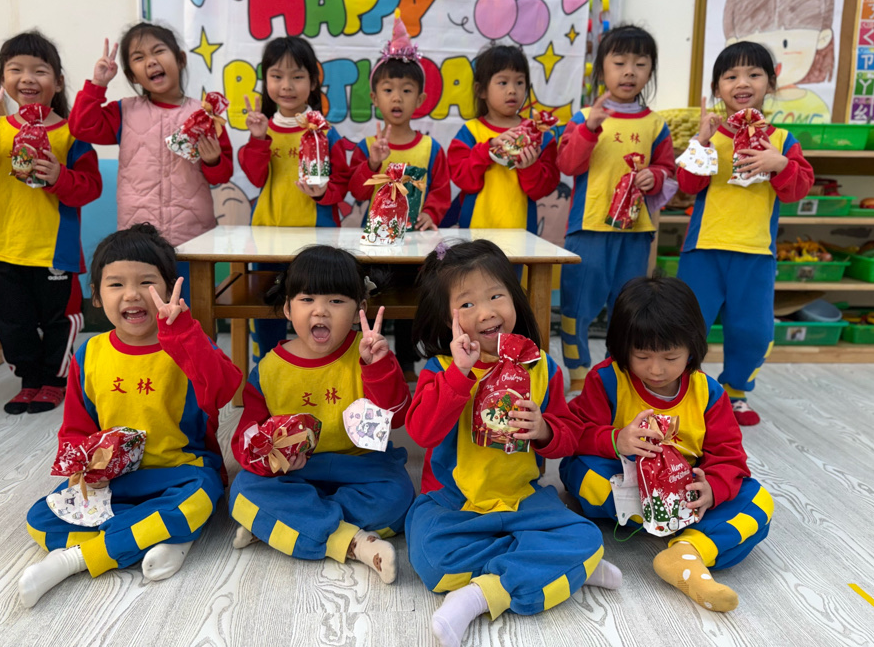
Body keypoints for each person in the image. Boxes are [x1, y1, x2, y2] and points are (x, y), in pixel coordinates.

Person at [405, 239, 618, 647]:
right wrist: (460, 375)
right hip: (454, 503)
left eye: (496, 295)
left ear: (515, 298)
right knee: (431, 561)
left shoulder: (542, 367)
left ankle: (480, 595)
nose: (486, 312)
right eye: (466, 304)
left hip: (523, 498)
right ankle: (550, 565)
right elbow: (422, 433)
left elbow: (568, 437)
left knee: (589, 538)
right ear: (447, 317)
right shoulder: (441, 368)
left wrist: (544, 430)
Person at [20, 224, 242, 607]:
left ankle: (76, 559)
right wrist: (83, 468)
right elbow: (75, 428)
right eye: (116, 284)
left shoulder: (188, 342)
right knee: (40, 518)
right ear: (96, 295)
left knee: (201, 499)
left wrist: (184, 334)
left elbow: (224, 389)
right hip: (116, 481)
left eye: (146, 282)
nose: (132, 294)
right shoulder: (89, 355)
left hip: (183, 472)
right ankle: (164, 537)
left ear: (170, 289)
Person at [561, 275, 773, 613]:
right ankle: (686, 534)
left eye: (671, 357)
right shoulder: (607, 379)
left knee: (759, 500)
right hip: (628, 483)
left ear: (692, 350)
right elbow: (575, 433)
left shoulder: (708, 393)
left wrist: (712, 488)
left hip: (684, 492)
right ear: (622, 348)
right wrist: (617, 439)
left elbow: (730, 456)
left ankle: (688, 552)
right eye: (641, 356)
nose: (656, 369)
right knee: (580, 470)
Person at [228, 246, 414, 585]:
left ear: (360, 309)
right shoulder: (269, 369)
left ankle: (287, 524)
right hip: (298, 473)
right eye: (307, 299)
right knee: (243, 489)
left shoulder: (371, 355)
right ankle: (354, 543)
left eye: (336, 301)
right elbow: (246, 439)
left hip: (363, 466)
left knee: (399, 497)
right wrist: (271, 459)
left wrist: (378, 369)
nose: (321, 310)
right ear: (288, 308)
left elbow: (397, 418)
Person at [0, 31, 101, 414]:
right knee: (10, 322)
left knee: (58, 320)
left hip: (52, 250)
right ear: (3, 79)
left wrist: (59, 176)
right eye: (15, 69)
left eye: (39, 70)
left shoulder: (72, 134)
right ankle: (29, 380)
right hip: (0, 245)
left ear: (58, 82)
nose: (27, 78)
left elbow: (90, 187)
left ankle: (55, 381)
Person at [678, 41, 814, 425]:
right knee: (687, 326)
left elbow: (799, 188)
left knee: (754, 331)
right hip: (703, 250)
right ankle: (682, 389)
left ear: (770, 83)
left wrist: (780, 163)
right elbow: (687, 185)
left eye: (754, 74)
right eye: (731, 76)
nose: (742, 82)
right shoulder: (710, 136)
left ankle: (735, 391)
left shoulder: (782, 140)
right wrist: (702, 141)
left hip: (756, 253)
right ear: (717, 88)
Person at [557, 25, 675, 391]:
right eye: (620, 62)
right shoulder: (583, 117)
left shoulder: (656, 124)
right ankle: (579, 378)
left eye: (640, 64)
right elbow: (567, 164)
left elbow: (669, 171)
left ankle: (619, 379)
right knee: (577, 308)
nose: (629, 72)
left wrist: (655, 176)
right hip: (588, 230)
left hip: (635, 235)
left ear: (650, 71)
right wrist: (589, 129)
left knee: (630, 311)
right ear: (601, 69)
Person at [348, 12, 451, 380]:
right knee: (371, 298)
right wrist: (373, 163)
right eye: (389, 89)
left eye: (406, 90)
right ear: (375, 97)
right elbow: (355, 190)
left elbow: (441, 190)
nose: (397, 97)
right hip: (376, 245)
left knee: (414, 301)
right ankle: (367, 359)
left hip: (416, 246)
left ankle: (407, 365)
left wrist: (432, 213)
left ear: (420, 98)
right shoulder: (368, 146)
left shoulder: (430, 148)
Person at [239, 37, 353, 365]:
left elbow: (342, 181)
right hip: (268, 238)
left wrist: (323, 193)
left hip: (318, 241)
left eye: (297, 76)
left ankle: (323, 367)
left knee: (321, 308)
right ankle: (268, 368)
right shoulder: (263, 129)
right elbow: (256, 178)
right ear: (266, 81)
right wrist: (258, 139)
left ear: (313, 82)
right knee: (268, 307)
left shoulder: (324, 131)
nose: (286, 85)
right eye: (277, 76)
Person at [69, 23, 233, 248]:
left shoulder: (205, 116)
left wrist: (213, 161)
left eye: (158, 51)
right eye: (139, 57)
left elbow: (222, 176)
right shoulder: (123, 111)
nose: (151, 61)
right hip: (138, 241)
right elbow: (81, 127)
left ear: (181, 60)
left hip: (194, 236)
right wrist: (98, 84)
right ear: (133, 76)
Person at [448, 45, 559, 233]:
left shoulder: (540, 135)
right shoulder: (470, 132)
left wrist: (530, 167)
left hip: (521, 235)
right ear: (481, 90)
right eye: (503, 82)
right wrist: (488, 149)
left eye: (519, 82)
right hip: (474, 235)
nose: (512, 90)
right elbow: (463, 179)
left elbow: (542, 190)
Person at [722, 0, 836, 124]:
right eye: (760, 47)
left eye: (785, 43)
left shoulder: (814, 107)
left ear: (822, 38)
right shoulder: (735, 109)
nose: (772, 58)